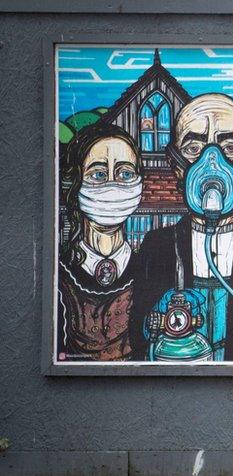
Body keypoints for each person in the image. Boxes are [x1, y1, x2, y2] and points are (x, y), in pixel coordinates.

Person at [129, 93, 233, 362]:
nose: (211, 162)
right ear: (176, 164)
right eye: (193, 149)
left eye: (230, 148)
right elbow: (137, 333)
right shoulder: (158, 246)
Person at [57, 124, 144, 361]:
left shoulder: (150, 270)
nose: (113, 185)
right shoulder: (60, 276)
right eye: (98, 174)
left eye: (125, 173)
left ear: (140, 185)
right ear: (75, 183)